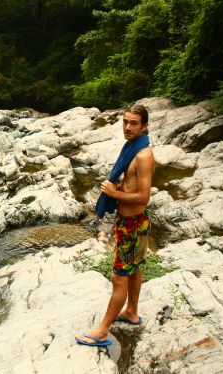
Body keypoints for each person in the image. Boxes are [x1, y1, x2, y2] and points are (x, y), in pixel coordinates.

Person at [75, 104, 155, 347]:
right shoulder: (132, 147)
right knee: (135, 269)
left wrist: (114, 193)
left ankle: (102, 330)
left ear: (144, 127)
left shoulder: (143, 155)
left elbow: (143, 197)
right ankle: (131, 311)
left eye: (133, 123)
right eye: (125, 121)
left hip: (133, 225)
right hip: (132, 223)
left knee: (119, 277)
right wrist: (119, 190)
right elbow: (132, 188)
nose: (127, 127)